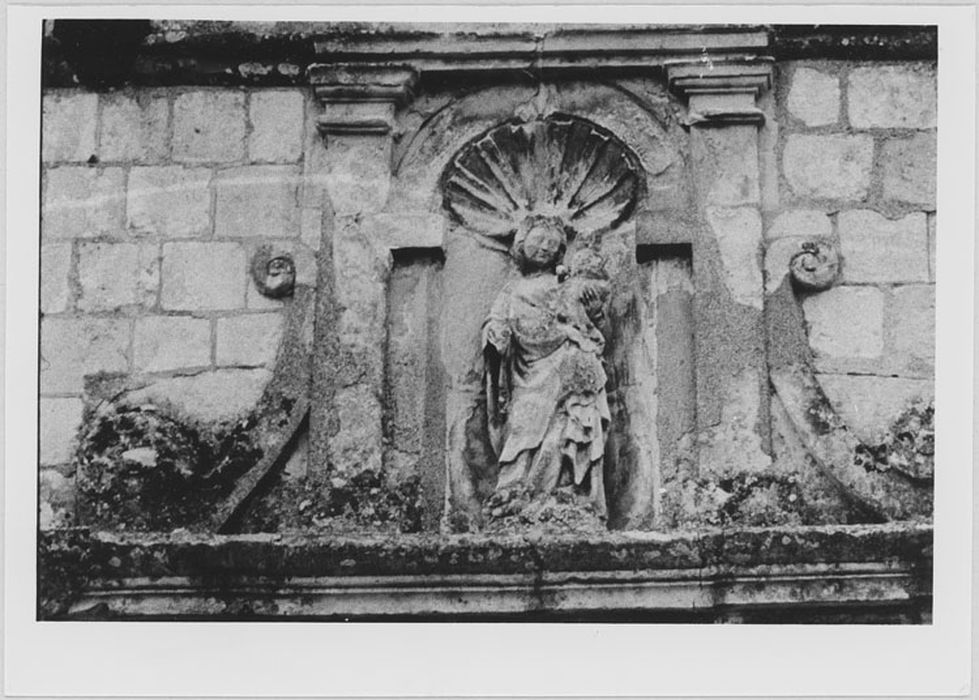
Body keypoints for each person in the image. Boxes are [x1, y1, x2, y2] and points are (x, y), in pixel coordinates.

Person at [482, 216, 610, 518]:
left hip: (564, 362)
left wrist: (589, 296)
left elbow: (592, 315)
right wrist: (494, 335)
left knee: (567, 424)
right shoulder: (512, 289)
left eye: (552, 244)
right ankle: (516, 487)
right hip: (525, 371)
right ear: (521, 244)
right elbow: (495, 321)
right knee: (522, 422)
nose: (544, 247)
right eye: (538, 240)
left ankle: (565, 490)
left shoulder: (564, 284)